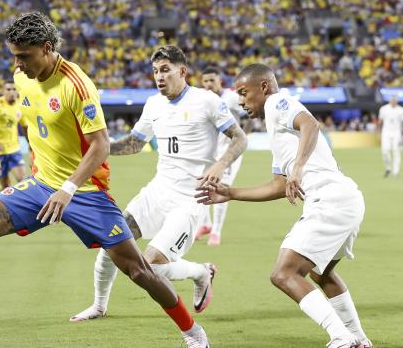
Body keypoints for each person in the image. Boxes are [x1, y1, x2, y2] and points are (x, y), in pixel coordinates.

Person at [0, 12, 210, 348]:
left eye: (24, 56)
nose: (17, 65)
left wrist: (67, 189)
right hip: (39, 186)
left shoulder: (76, 85)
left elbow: (101, 145)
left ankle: (193, 334)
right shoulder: (22, 76)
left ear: (47, 48)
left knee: (139, 271)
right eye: (14, 56)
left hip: (87, 192)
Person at [196, 63, 372, 348]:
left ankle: (342, 338)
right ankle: (360, 340)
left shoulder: (278, 102)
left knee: (284, 273)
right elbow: (278, 185)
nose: (241, 101)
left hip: (329, 199)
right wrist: (230, 192)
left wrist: (298, 169)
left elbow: (311, 125)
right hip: (345, 199)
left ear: (263, 87)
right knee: (321, 273)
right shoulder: (275, 125)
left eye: (244, 92)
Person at [70, 46, 247, 322]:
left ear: (182, 71)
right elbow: (134, 144)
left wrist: (219, 165)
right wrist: (98, 148)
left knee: (148, 266)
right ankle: (99, 306)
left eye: (165, 70)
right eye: (155, 72)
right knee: (111, 242)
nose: (159, 77)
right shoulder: (153, 104)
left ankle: (201, 272)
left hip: (190, 199)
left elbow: (239, 138)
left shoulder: (207, 101)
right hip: (157, 192)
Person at [195, 66, 249, 245]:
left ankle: (216, 232)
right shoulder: (202, 99)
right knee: (199, 185)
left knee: (221, 189)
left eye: (212, 80)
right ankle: (205, 224)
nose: (209, 84)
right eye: (206, 81)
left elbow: (249, 113)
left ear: (220, 81)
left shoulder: (231, 98)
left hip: (229, 153)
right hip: (209, 152)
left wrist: (242, 136)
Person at [378, 95, 403, 177]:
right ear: (390, 100)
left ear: (397, 101)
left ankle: (396, 172)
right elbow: (380, 121)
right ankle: (388, 168)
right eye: (392, 100)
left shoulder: (401, 110)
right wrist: (378, 133)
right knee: (385, 151)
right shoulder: (383, 109)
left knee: (396, 151)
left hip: (397, 132)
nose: (394, 101)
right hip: (386, 132)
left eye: (395, 100)